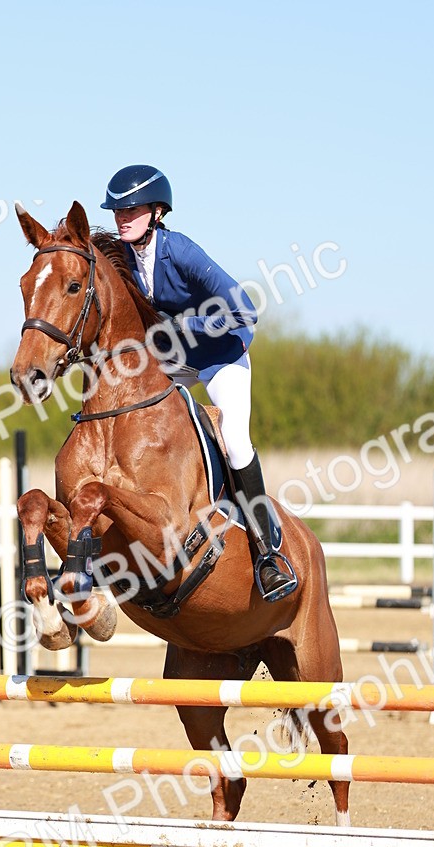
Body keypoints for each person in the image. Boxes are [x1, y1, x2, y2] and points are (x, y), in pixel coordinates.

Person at [101, 164, 298, 602]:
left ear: (156, 212)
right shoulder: (124, 258)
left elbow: (245, 310)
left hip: (219, 355)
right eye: (117, 210)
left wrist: (187, 326)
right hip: (171, 359)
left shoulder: (182, 252)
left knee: (235, 438)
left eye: (131, 209)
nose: (122, 217)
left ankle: (268, 553)